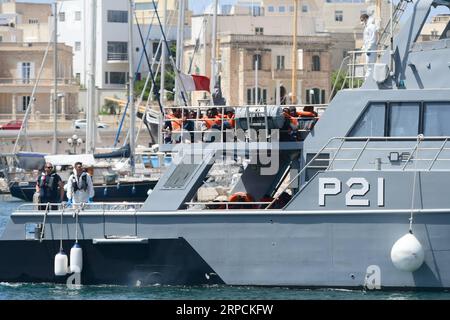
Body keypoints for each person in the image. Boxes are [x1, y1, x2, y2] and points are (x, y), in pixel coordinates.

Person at [360, 13, 378, 78]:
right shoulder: (367, 27)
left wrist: (369, 48)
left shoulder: (371, 26)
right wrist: (364, 47)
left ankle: (368, 79)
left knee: (370, 64)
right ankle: (368, 78)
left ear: (365, 19)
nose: (361, 22)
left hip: (371, 49)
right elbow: (366, 39)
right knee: (368, 64)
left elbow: (373, 38)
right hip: (368, 48)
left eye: (362, 20)